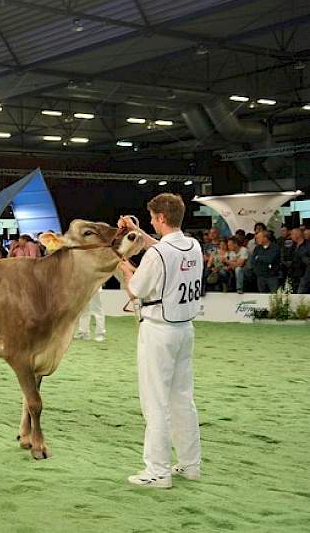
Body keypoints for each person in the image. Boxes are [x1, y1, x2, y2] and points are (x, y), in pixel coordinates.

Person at [117, 193, 202, 489]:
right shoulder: (193, 245)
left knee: (155, 403)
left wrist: (125, 266)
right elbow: (164, 249)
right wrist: (138, 232)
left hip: (158, 330)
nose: (151, 222)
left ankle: (157, 471)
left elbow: (136, 289)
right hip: (184, 329)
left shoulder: (157, 255)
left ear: (161, 218)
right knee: (182, 399)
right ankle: (190, 465)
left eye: (153, 218)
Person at [291, 227, 309, 294]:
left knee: (301, 293)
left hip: (305, 274)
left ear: (298, 235)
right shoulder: (293, 245)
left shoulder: (308, 245)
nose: (291, 236)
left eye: (292, 234)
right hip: (294, 274)